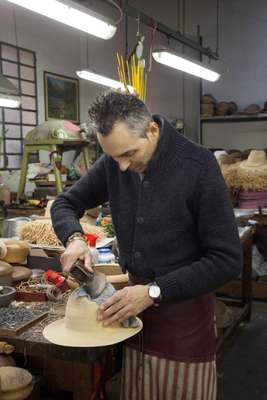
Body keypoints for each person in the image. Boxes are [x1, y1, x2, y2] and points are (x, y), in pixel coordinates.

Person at [51, 90, 243, 400]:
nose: (122, 167)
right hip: (131, 312)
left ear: (152, 129)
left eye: (129, 154)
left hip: (182, 320)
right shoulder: (116, 161)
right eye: (114, 158)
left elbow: (226, 259)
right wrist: (74, 239)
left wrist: (154, 292)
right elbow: (65, 202)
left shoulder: (198, 165)